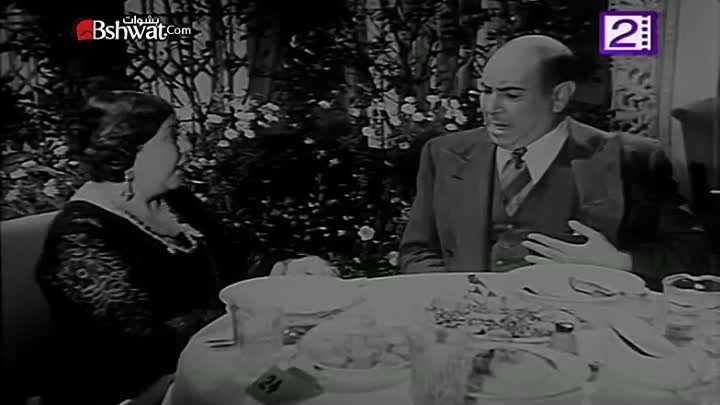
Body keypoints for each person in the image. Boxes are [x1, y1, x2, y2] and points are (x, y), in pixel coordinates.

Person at [35, 91, 336, 405]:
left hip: (215, 364)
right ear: (127, 151)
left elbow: (241, 258)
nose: (188, 146)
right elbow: (141, 347)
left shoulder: (176, 202)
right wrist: (259, 316)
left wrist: (287, 270)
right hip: (134, 392)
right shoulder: (79, 238)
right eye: (173, 135)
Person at [398, 35, 710, 289]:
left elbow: (693, 255)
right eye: (486, 91)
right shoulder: (445, 153)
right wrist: (454, 295)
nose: (491, 107)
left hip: (580, 330)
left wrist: (619, 263)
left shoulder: (632, 159)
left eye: (512, 95)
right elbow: (417, 250)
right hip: (467, 324)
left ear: (560, 96)